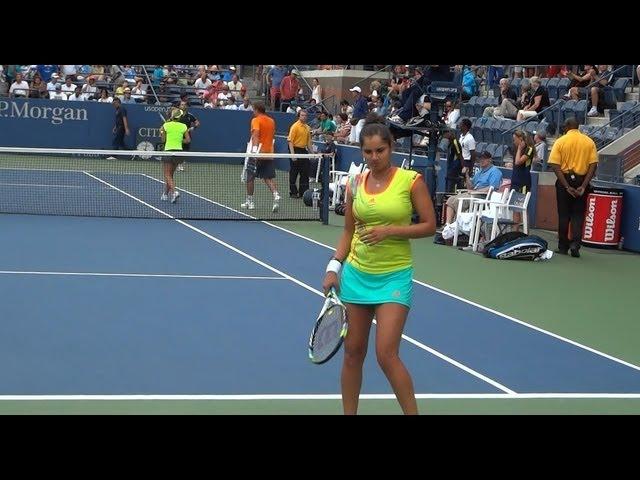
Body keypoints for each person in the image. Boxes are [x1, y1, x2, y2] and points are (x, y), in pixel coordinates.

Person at [322, 114, 436, 415]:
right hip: (357, 275)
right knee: (352, 353)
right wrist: (334, 268)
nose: (374, 157)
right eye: (368, 152)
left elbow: (429, 226)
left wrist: (390, 231)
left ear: (391, 148)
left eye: (380, 151)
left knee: (386, 355)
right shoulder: (355, 183)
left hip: (393, 278)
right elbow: (348, 231)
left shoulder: (411, 181)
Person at [547, 117, 598, 257]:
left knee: (564, 215)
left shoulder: (561, 141)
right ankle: (575, 244)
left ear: (567, 127)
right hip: (582, 180)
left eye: (564, 126)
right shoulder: (589, 142)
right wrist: (583, 186)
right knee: (578, 215)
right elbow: (593, 165)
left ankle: (563, 246)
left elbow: (555, 165)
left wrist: (566, 186)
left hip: (565, 180)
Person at [241, 101, 281, 212]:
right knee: (267, 178)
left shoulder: (255, 120)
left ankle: (250, 202)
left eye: (253, 109)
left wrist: (254, 151)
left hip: (257, 153)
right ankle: (276, 194)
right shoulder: (271, 121)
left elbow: (255, 135)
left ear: (256, 109)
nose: (252, 112)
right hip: (268, 153)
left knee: (250, 177)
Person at [159, 108, 191, 203]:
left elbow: (163, 140)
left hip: (169, 151)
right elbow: (188, 140)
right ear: (180, 117)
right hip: (179, 153)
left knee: (167, 174)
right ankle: (165, 194)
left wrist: (162, 133)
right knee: (170, 175)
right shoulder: (184, 126)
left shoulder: (166, 125)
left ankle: (174, 192)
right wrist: (179, 140)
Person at [287, 109, 313, 198]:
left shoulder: (308, 128)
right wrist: (293, 155)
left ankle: (304, 193)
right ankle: (293, 192)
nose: (304, 117)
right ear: (299, 116)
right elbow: (290, 141)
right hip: (294, 149)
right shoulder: (294, 126)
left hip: (303, 151)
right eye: (302, 115)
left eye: (305, 115)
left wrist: (312, 154)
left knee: (305, 172)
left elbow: (309, 142)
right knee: (294, 172)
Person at [176, 100, 200, 171]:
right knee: (178, 150)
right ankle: (177, 164)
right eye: (182, 105)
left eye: (185, 105)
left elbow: (197, 123)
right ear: (179, 106)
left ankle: (180, 163)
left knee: (184, 151)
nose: (184, 106)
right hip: (178, 135)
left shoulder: (190, 115)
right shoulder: (176, 115)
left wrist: (193, 128)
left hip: (187, 136)